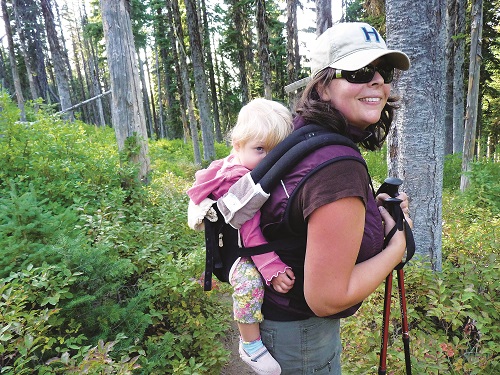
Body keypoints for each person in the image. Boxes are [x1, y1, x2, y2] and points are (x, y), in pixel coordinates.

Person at [253, 22, 413, 374]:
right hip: (304, 340)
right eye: (358, 71)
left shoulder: (303, 137)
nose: (377, 82)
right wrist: (396, 249)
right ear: (323, 88)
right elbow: (327, 299)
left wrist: (371, 206)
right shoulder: (337, 167)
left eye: (383, 71)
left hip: (278, 325)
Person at [187, 98, 295, 375]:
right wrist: (271, 267)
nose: (268, 159)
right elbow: (249, 230)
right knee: (249, 282)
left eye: (276, 152)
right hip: (236, 249)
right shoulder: (240, 180)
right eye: (260, 149)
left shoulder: (249, 165)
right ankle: (250, 343)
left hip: (240, 242)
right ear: (237, 146)